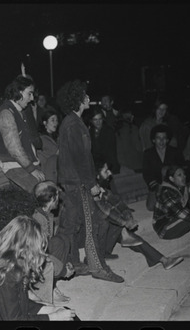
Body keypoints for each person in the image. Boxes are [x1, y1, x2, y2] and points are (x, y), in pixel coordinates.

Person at [56, 79, 123, 283]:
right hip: (78, 184)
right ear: (78, 99)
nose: (88, 97)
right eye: (84, 95)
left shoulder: (73, 122)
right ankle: (98, 267)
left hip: (74, 182)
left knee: (73, 224)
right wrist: (92, 184)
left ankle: (75, 263)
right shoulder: (73, 125)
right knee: (92, 224)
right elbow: (80, 159)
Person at [0, 215, 77, 321]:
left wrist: (47, 309)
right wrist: (52, 317)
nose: (41, 253)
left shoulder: (9, 261)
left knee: (66, 313)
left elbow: (16, 302)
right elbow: (14, 319)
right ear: (26, 249)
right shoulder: (7, 273)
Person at [93, 161, 184, 270]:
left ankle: (164, 260)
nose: (110, 173)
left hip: (111, 230)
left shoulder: (105, 191)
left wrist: (129, 218)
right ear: (97, 175)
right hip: (95, 237)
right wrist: (124, 223)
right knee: (115, 223)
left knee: (131, 236)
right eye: (106, 171)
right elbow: (105, 212)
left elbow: (120, 204)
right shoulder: (92, 192)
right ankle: (122, 234)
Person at [0, 75, 44, 193]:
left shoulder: (18, 111)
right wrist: (31, 169)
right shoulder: (6, 113)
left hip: (23, 165)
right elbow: (14, 149)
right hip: (15, 166)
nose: (31, 98)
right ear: (19, 92)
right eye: (29, 94)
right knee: (40, 195)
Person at [32, 180, 75, 305]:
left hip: (42, 254)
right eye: (57, 195)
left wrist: (66, 261)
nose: (59, 199)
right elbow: (40, 252)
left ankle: (51, 284)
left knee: (62, 239)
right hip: (35, 259)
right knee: (58, 242)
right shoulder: (36, 219)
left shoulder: (46, 214)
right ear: (51, 198)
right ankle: (45, 288)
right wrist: (62, 270)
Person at [153, 165, 190, 257]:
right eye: (179, 175)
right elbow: (181, 213)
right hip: (165, 227)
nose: (184, 177)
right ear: (171, 178)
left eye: (184, 174)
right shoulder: (165, 192)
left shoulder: (183, 188)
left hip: (177, 221)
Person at [142, 124, 185, 211]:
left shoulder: (175, 152)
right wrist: (157, 187)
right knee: (151, 207)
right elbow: (147, 174)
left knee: (182, 203)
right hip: (157, 185)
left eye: (164, 138)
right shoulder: (148, 154)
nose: (161, 141)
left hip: (174, 184)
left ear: (168, 139)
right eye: (158, 138)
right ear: (153, 140)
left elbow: (182, 169)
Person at [88, 106, 120, 174]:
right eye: (95, 119)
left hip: (108, 166)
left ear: (103, 119)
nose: (98, 122)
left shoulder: (109, 131)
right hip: (95, 166)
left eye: (100, 119)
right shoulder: (90, 132)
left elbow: (110, 152)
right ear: (91, 121)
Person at [115, 107, 143, 172]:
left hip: (122, 164)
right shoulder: (133, 128)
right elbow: (138, 147)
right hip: (135, 164)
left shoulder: (116, 129)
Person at [37, 109, 61, 182]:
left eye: (56, 120)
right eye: (52, 120)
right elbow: (59, 152)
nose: (55, 123)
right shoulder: (43, 139)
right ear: (45, 123)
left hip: (54, 174)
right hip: (47, 176)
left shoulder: (55, 138)